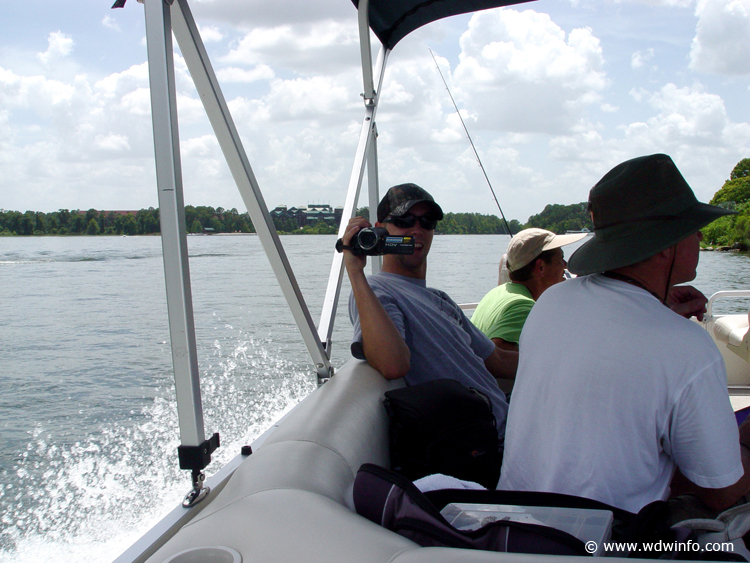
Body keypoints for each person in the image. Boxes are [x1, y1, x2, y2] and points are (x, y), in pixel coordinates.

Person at [498, 154, 750, 517]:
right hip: (609, 545)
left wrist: (659, 307)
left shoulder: (551, 302)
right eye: (692, 228)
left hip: (520, 527)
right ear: (666, 243)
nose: (699, 235)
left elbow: (617, 332)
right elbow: (721, 492)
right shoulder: (686, 347)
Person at [340, 183, 518, 428]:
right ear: (380, 230)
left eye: (427, 221)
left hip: (511, 421)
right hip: (487, 441)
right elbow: (393, 364)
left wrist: (553, 359)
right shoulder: (378, 291)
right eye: (404, 221)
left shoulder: (440, 298)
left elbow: (497, 359)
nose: (417, 230)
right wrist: (354, 271)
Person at [471, 228, 586, 351]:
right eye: (560, 259)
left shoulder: (497, 292)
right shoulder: (523, 306)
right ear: (540, 267)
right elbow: (499, 355)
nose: (565, 265)